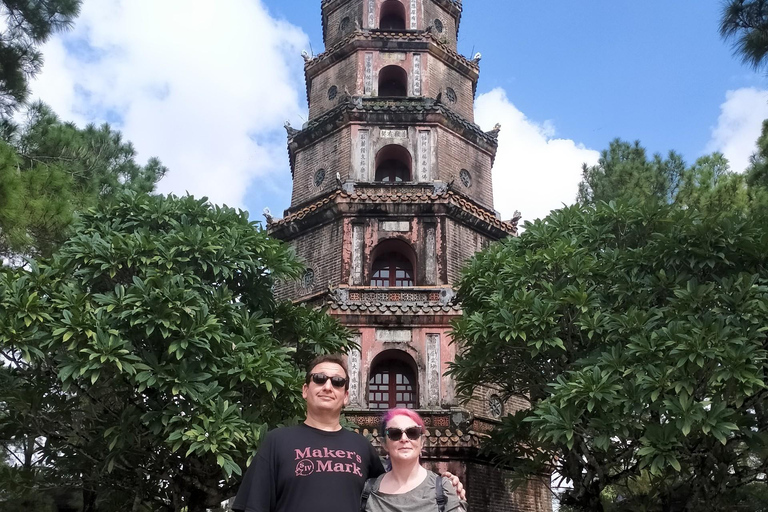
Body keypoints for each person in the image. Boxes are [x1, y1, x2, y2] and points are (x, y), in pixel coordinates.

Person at [233, 355, 464, 512]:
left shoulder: (360, 446)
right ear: (305, 390)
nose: (327, 386)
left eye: (337, 382)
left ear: (345, 396)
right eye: (319, 379)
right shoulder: (277, 441)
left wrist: (443, 483)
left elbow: (396, 482)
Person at [361, 408, 467, 512]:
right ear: (384, 444)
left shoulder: (443, 489)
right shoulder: (367, 490)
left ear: (422, 442)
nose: (404, 439)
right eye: (394, 433)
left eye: (412, 432)